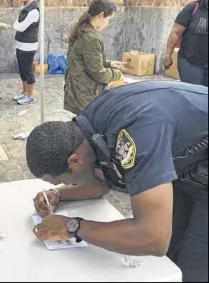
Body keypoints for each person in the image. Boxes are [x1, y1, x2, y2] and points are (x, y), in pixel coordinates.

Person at [26, 81, 208, 282]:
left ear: (75, 160)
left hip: (199, 166)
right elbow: (105, 179)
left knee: (194, 264)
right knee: (171, 255)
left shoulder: (139, 134)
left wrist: (72, 226)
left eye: (64, 181)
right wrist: (59, 194)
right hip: (190, 163)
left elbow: (154, 238)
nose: (68, 184)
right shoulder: (87, 129)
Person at [64, 0, 125, 114]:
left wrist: (110, 63)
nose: (108, 23)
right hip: (85, 95)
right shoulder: (92, 38)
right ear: (101, 15)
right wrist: (117, 74)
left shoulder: (82, 29)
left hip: (77, 91)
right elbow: (97, 72)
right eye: (109, 19)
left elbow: (85, 60)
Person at [164, 0, 208, 86]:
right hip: (190, 64)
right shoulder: (193, 8)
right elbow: (175, 32)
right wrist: (167, 56)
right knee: (194, 95)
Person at [12, 0, 40, 105]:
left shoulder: (34, 11)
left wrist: (16, 25)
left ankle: (30, 96)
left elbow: (21, 27)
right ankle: (24, 92)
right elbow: (18, 23)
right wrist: (17, 25)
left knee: (28, 70)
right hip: (20, 43)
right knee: (22, 70)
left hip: (28, 45)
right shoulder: (23, 7)